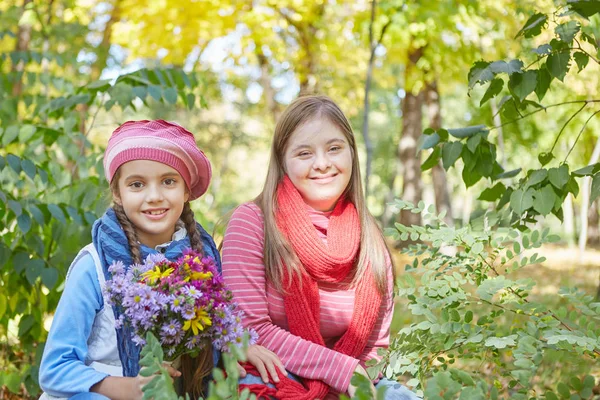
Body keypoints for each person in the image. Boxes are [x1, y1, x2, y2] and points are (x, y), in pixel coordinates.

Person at [39, 120, 282, 400]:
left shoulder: (200, 260)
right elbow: (54, 369)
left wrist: (235, 344)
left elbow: (213, 322)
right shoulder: (93, 266)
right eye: (137, 184)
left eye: (168, 181)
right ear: (117, 193)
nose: (154, 197)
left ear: (186, 190)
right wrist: (126, 388)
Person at [221, 95, 419, 399]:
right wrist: (342, 371)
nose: (322, 163)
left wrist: (347, 383)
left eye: (334, 148)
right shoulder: (253, 223)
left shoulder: (371, 239)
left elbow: (376, 348)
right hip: (273, 374)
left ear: (352, 153)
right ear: (282, 161)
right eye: (304, 153)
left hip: (351, 383)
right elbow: (250, 330)